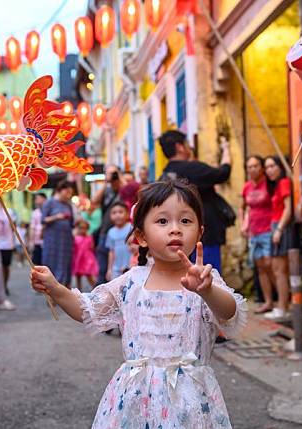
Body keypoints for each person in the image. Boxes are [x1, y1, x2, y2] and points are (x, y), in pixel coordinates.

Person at [30, 179, 247, 428]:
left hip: (192, 400)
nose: (175, 229)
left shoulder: (205, 280)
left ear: (199, 232)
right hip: (135, 397)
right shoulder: (131, 282)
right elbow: (87, 309)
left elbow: (229, 313)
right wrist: (56, 288)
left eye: (185, 221)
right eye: (162, 221)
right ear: (142, 236)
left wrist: (207, 291)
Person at [160, 130, 233, 273]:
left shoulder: (163, 176)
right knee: (209, 277)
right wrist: (226, 150)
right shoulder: (193, 168)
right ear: (180, 146)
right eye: (187, 144)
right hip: (205, 234)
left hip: (178, 237)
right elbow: (223, 173)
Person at [240, 155, 276, 314]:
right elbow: (244, 207)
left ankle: (283, 301)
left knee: (271, 266)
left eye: (255, 166)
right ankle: (268, 302)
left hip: (268, 230)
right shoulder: (247, 187)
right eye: (249, 167)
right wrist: (244, 224)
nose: (252, 169)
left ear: (261, 168)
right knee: (260, 268)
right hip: (254, 232)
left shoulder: (268, 184)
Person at [263, 156, 294, 321]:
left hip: (281, 226)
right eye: (266, 167)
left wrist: (279, 230)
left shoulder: (284, 183)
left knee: (280, 270)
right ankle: (282, 305)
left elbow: (289, 208)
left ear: (280, 167)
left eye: (272, 166)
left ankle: (283, 307)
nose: (269, 170)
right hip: (276, 225)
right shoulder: (276, 186)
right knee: (277, 269)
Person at [91, 165, 123, 284]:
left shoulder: (123, 189)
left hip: (122, 233)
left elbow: (130, 192)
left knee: (120, 266)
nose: (112, 176)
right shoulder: (106, 190)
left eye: (114, 173)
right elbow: (94, 201)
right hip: (105, 232)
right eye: (109, 173)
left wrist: (119, 177)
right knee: (103, 267)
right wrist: (105, 182)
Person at [42, 180, 76, 288]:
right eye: (67, 192)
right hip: (52, 239)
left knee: (65, 264)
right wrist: (56, 217)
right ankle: (51, 291)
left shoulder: (68, 205)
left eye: (70, 193)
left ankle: (64, 289)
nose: (69, 195)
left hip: (66, 240)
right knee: (52, 263)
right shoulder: (49, 202)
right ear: (60, 190)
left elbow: (72, 223)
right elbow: (43, 220)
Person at [105, 201, 132, 280]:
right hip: (116, 268)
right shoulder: (110, 232)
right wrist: (109, 269)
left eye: (120, 212)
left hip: (130, 266)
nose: (117, 215)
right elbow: (111, 252)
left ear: (127, 214)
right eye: (114, 213)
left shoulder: (131, 228)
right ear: (110, 216)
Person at [72, 219, 98, 291]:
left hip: (87, 259)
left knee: (89, 275)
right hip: (78, 258)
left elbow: (92, 247)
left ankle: (96, 289)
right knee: (78, 275)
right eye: (80, 228)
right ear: (77, 228)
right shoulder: (75, 237)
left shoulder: (89, 237)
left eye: (85, 228)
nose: (82, 230)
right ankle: (78, 291)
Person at [0, 205, 16, 296]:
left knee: (5, 266)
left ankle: (4, 285)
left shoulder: (9, 211)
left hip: (7, 244)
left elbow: (14, 226)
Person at [29, 193, 47, 265]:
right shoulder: (35, 212)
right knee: (37, 264)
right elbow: (32, 228)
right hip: (38, 242)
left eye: (38, 199)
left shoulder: (49, 211)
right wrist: (31, 241)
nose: (36, 201)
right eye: (36, 199)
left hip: (47, 242)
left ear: (44, 199)